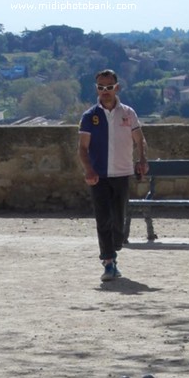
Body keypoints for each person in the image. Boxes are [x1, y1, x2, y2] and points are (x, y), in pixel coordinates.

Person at [78, 69, 148, 281]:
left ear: (117, 87)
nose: (105, 91)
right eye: (100, 87)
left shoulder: (128, 113)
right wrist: (88, 169)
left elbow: (139, 140)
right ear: (96, 89)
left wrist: (142, 159)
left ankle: (114, 246)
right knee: (103, 219)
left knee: (118, 219)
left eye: (109, 87)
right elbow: (82, 148)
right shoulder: (90, 116)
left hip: (122, 173)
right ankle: (108, 261)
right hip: (99, 175)